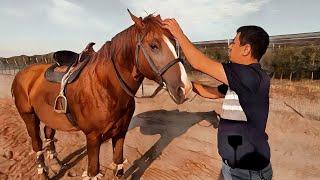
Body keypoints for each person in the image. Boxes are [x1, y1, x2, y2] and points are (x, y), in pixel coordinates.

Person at [162, 19, 273, 180]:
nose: (230, 46)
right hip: (232, 168)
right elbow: (211, 92)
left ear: (246, 49)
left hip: (248, 174)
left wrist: (178, 34)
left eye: (234, 43)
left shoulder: (250, 76)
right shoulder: (241, 80)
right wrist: (182, 83)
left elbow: (198, 63)